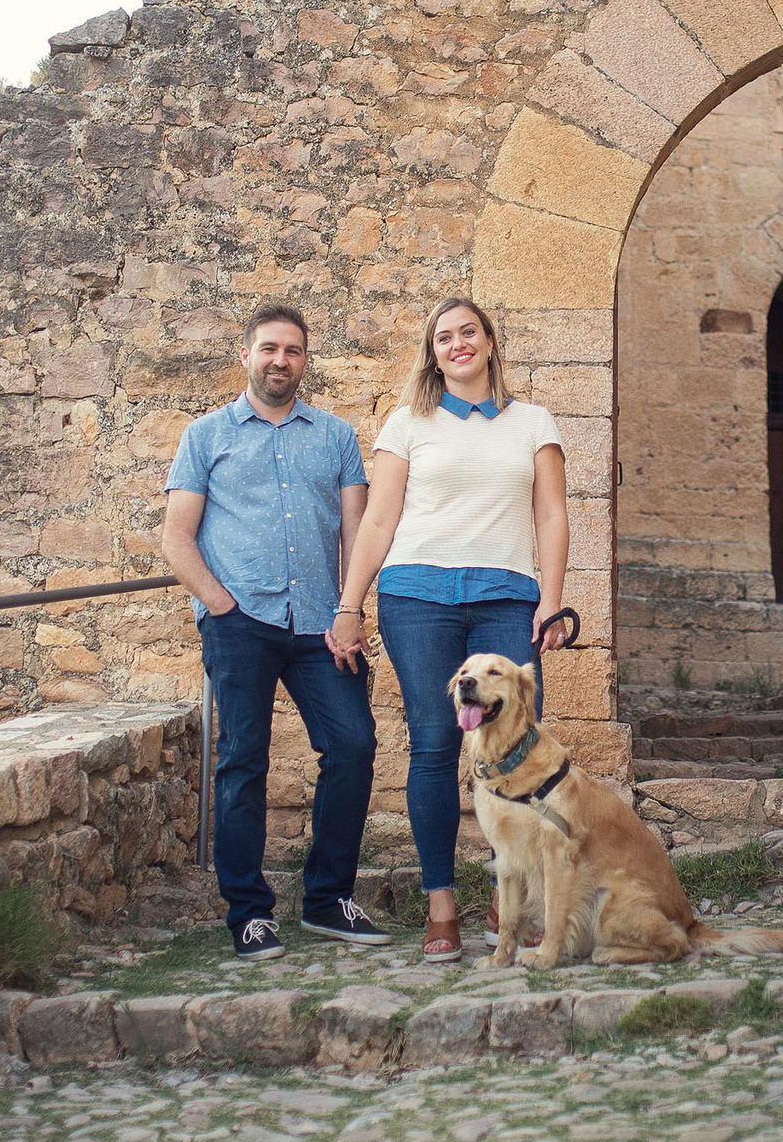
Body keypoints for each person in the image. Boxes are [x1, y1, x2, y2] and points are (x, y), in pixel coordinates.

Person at [330, 296, 571, 962]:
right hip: (418, 596)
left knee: (515, 746)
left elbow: (550, 516)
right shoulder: (408, 424)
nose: (458, 344)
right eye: (444, 338)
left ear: (491, 342)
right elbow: (378, 521)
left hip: (506, 598)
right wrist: (350, 604)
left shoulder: (533, 422)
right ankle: (442, 909)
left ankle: (508, 900)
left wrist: (550, 601)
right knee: (436, 746)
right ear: (432, 354)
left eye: (470, 332)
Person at [162, 304, 390, 961]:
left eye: (291, 351)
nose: (279, 361)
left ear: (304, 360)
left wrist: (351, 607)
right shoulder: (206, 437)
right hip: (241, 625)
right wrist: (218, 603)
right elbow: (177, 537)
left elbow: (357, 530)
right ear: (246, 356)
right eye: (268, 349)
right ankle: (249, 913)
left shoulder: (336, 436)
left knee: (352, 746)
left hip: (323, 624)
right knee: (242, 763)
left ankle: (327, 899)